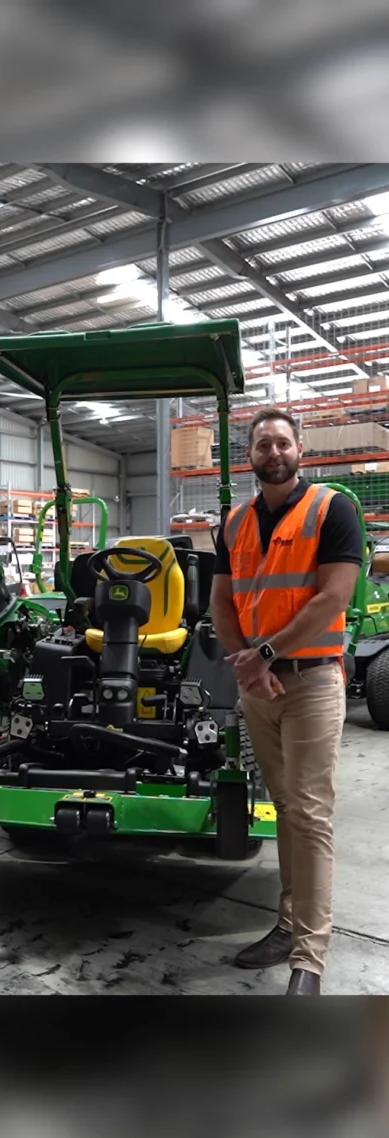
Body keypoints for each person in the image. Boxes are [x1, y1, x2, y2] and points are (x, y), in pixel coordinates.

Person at [210, 408, 362, 996]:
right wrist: (247, 666)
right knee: (284, 809)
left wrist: (263, 655)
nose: (272, 452)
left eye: (282, 442)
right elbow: (223, 602)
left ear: (301, 448)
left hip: (313, 683)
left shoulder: (332, 509)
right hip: (261, 687)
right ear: (250, 455)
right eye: (261, 444)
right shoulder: (235, 521)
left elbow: (334, 597)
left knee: (310, 814)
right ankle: (287, 925)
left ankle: (309, 958)